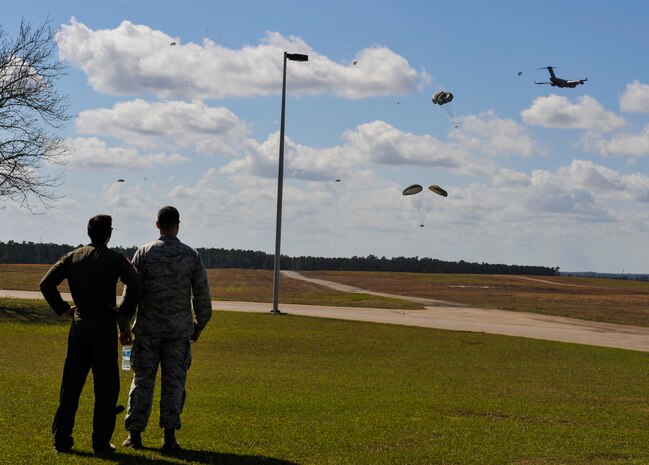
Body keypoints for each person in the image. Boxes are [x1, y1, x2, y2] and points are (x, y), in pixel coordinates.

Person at [40, 214, 142, 455]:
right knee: (106, 387)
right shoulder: (116, 259)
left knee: (71, 386)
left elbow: (46, 283)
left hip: (79, 327)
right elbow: (136, 284)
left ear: (88, 233)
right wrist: (123, 313)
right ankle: (100, 442)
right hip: (104, 328)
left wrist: (64, 309)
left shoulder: (72, 256)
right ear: (109, 234)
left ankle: (62, 439)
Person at [120, 206, 212, 451]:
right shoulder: (191, 255)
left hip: (148, 331)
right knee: (174, 384)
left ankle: (134, 435)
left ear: (157, 224)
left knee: (142, 381)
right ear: (178, 224)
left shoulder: (144, 253)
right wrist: (199, 325)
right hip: (178, 332)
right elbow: (202, 295)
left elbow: (131, 292)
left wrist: (124, 325)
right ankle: (169, 437)